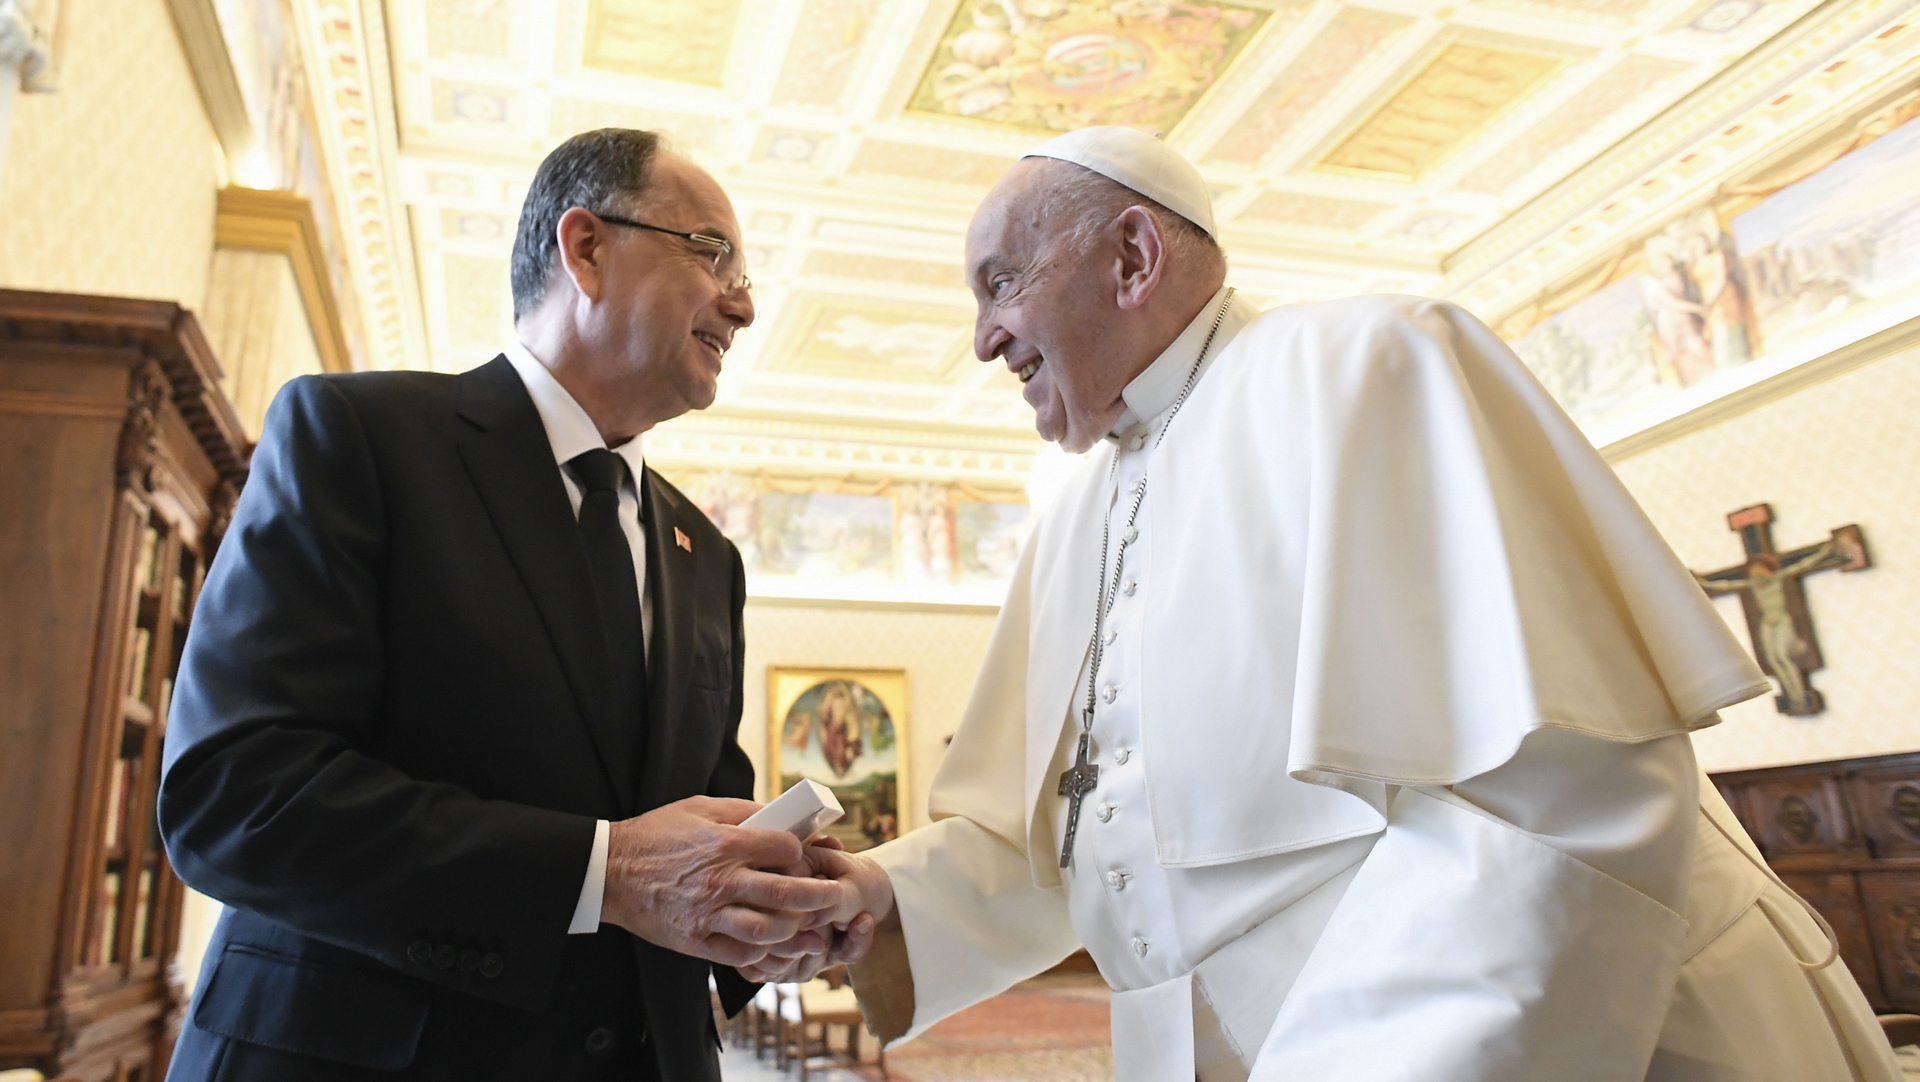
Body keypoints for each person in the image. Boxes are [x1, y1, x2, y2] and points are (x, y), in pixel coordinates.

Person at [796, 128, 1900, 1081]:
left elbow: (1549, 795)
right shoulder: (1075, 518)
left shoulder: (1369, 363)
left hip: (1550, 1030)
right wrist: (879, 899)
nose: (984, 338)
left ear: (1132, 256)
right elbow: (1104, 839)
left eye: (1000, 283)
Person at [159, 128, 861, 1082]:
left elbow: (705, 815)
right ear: (586, 248)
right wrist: (601, 875)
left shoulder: (710, 556)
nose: (744, 301)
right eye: (713, 253)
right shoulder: (359, 437)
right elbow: (235, 795)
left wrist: (765, 913)